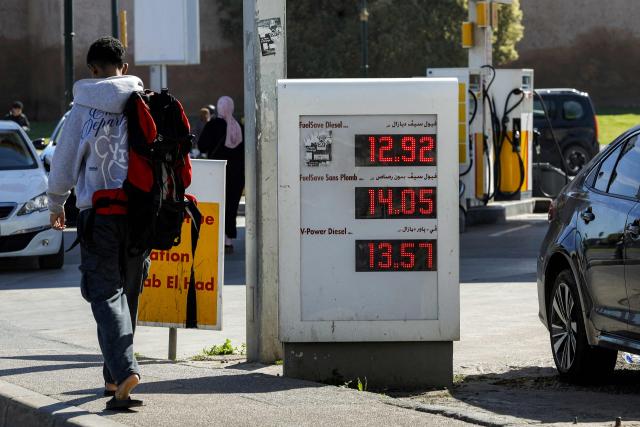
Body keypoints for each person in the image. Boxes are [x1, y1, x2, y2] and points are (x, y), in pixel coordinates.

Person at [47, 36, 147, 410]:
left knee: (105, 293)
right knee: (128, 293)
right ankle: (114, 381)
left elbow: (64, 162)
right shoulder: (143, 101)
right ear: (124, 65)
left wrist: (56, 203)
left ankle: (123, 371)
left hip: (100, 214)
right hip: (140, 217)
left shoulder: (82, 108)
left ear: (92, 69)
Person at [198, 96, 244, 253]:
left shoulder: (213, 125)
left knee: (216, 206)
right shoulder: (239, 126)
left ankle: (216, 238)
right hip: (237, 175)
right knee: (232, 207)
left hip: (217, 172)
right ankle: (228, 240)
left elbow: (202, 146)